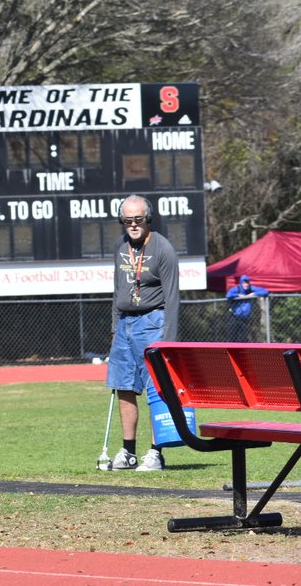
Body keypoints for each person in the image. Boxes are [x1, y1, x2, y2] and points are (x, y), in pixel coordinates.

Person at [102, 194, 180, 473]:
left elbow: (172, 298)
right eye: (127, 220)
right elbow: (118, 291)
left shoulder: (163, 250)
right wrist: (114, 328)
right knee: (123, 386)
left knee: (155, 390)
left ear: (148, 219)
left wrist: (168, 342)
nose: (132, 225)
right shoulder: (120, 246)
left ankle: (156, 453)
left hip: (153, 323)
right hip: (125, 323)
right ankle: (128, 451)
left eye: (138, 219)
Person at [225, 275, 270, 343]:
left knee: (242, 338)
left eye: (247, 283)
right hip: (234, 317)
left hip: (244, 319)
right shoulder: (237, 289)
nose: (245, 285)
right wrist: (238, 295)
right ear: (241, 283)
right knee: (232, 337)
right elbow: (228, 295)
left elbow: (265, 291)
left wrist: (254, 294)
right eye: (244, 283)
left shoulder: (250, 289)